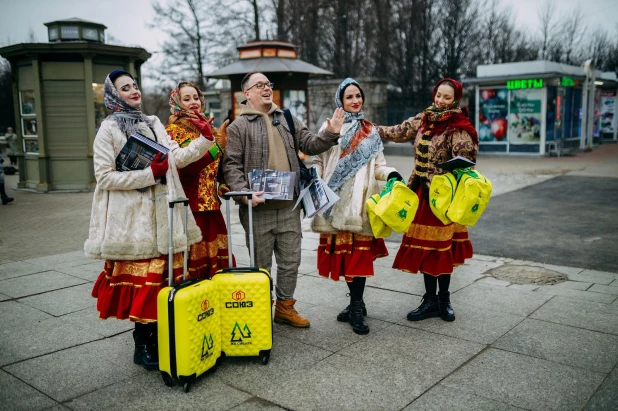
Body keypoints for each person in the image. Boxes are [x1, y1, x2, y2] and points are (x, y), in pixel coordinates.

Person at [85, 70, 215, 371]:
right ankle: (142, 344)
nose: (134, 91)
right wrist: (149, 174)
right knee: (143, 282)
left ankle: (159, 337)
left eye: (134, 85)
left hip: (164, 213)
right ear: (114, 95)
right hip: (132, 220)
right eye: (125, 88)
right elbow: (103, 177)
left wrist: (205, 139)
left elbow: (176, 158)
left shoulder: (152, 122)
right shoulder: (108, 129)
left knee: (162, 280)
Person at [223, 71, 345, 328]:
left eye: (268, 84)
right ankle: (260, 310)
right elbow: (231, 165)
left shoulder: (287, 118)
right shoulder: (239, 126)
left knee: (291, 262)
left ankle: (285, 308)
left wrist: (331, 133)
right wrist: (245, 195)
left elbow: (310, 144)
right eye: (260, 85)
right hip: (258, 210)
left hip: (290, 207)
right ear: (247, 94)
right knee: (261, 265)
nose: (266, 88)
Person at [376, 78, 478, 322]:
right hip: (421, 194)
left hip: (443, 197)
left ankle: (444, 299)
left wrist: (455, 162)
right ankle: (430, 299)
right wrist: (369, 129)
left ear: (455, 100)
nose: (440, 100)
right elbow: (398, 131)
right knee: (426, 249)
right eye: (438, 95)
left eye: (446, 97)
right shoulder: (424, 118)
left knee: (442, 250)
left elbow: (466, 159)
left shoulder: (458, 126)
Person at [311, 78, 402, 335]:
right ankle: (354, 304)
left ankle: (357, 306)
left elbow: (379, 165)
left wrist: (391, 174)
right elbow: (317, 158)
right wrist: (317, 180)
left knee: (358, 257)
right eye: (349, 96)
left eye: (358, 96)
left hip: (360, 205)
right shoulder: (330, 127)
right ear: (340, 100)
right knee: (345, 258)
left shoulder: (370, 131)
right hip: (335, 201)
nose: (355, 100)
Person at [165, 81, 235, 278]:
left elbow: (217, 167)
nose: (193, 102)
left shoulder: (209, 130)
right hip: (188, 208)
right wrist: (215, 149)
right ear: (177, 102)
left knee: (218, 266)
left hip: (212, 208)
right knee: (192, 266)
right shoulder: (171, 132)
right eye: (186, 99)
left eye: (196, 98)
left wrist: (221, 183)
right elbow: (184, 170)